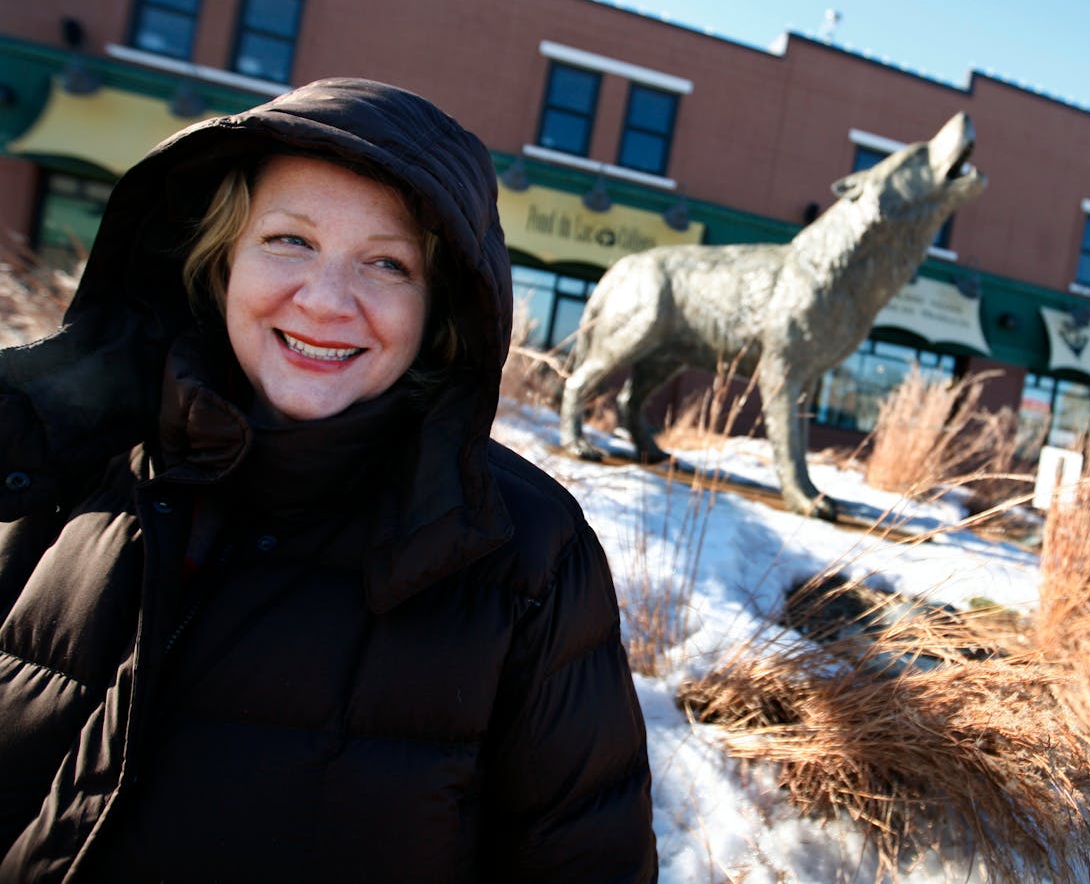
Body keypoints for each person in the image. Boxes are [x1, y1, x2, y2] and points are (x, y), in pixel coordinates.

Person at [0, 78, 656, 882]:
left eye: (386, 263)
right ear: (220, 260)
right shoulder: (61, 462)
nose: (325, 300)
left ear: (440, 308)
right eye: (290, 240)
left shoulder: (531, 558)